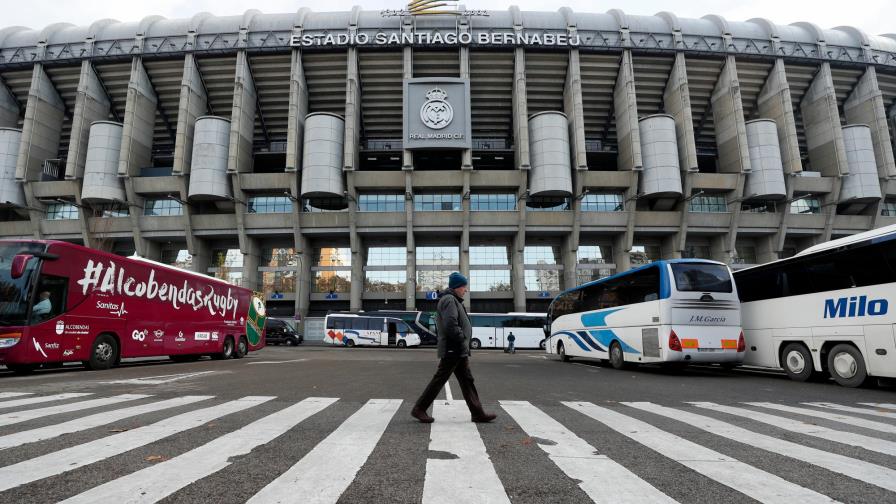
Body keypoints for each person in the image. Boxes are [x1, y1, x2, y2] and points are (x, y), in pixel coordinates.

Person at [411, 272, 497, 424]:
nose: (466, 290)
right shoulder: (449, 300)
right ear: (457, 287)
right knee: (440, 379)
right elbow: (450, 324)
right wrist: (462, 338)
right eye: (464, 287)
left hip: (458, 348)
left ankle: (477, 413)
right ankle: (419, 408)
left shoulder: (454, 300)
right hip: (453, 347)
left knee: (467, 380)